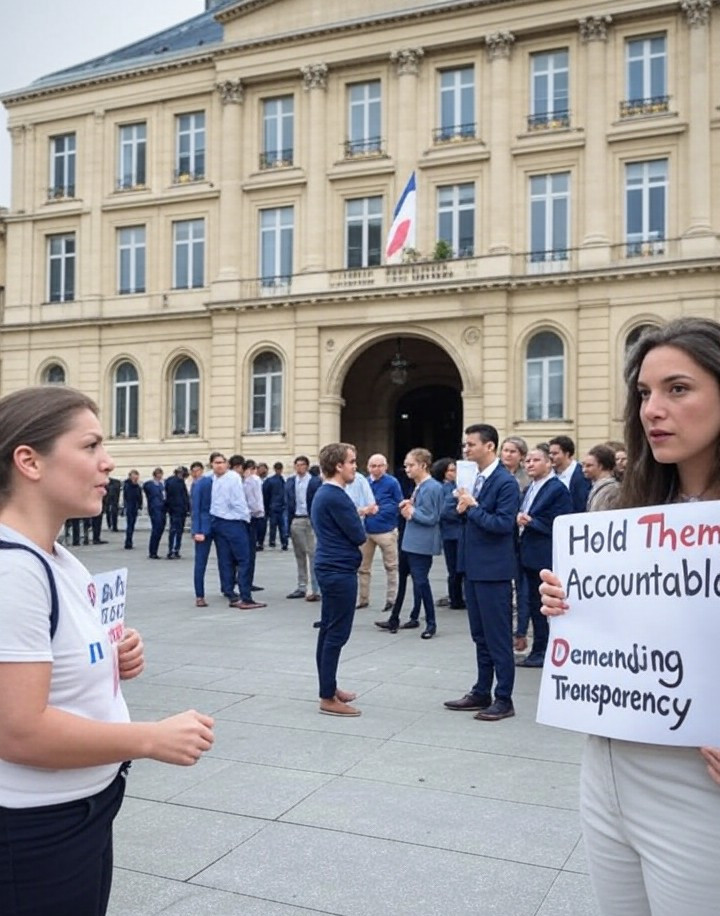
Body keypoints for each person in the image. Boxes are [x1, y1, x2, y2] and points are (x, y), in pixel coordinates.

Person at [0, 385, 214, 916]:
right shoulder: (13, 571)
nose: (108, 461)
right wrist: (150, 738)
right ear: (29, 461)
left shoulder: (54, 555)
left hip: (79, 813)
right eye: (91, 445)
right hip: (36, 833)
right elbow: (18, 732)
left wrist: (106, 654)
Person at [540, 317, 720, 916]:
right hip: (607, 765)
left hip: (700, 785)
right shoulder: (622, 509)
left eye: (678, 389)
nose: (653, 410)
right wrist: (570, 608)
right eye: (644, 393)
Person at [444, 424, 520, 720]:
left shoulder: (505, 482)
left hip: (494, 570)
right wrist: (462, 508)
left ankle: (504, 698)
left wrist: (473, 508)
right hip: (473, 566)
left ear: (489, 446)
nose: (466, 449)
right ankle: (481, 690)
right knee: (480, 635)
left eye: (471, 444)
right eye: (465, 445)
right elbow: (467, 517)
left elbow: (503, 524)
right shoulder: (474, 478)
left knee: (498, 636)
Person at [311, 442, 367, 717]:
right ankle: (327, 697)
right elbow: (358, 535)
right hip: (338, 570)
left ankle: (329, 687)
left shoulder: (325, 493)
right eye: (352, 462)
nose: (355, 466)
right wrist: (358, 516)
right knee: (336, 634)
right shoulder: (336, 496)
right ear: (338, 466)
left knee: (328, 630)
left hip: (331, 567)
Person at [514, 443, 572, 667]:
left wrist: (531, 522)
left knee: (542, 606)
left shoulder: (556, 488)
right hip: (528, 553)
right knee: (533, 604)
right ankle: (539, 648)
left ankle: (543, 650)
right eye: (527, 461)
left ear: (549, 463)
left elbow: (561, 521)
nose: (530, 464)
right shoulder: (531, 487)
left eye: (536, 460)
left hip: (544, 556)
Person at [393, 448, 443, 639]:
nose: (407, 469)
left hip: (421, 543)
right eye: (406, 465)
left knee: (421, 581)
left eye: (411, 465)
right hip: (412, 541)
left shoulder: (431, 487)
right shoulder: (420, 486)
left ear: (423, 465)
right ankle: (411, 616)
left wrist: (411, 512)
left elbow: (432, 517)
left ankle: (431, 622)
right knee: (411, 580)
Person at [211, 455, 265, 611]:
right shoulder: (233, 478)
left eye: (221, 463)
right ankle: (245, 597)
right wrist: (246, 517)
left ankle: (230, 592)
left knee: (226, 559)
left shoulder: (214, 478)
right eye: (216, 463)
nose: (219, 466)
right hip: (234, 522)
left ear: (227, 464)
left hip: (220, 522)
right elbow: (238, 501)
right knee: (244, 559)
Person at [357, 453, 402, 613]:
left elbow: (398, 503)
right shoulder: (364, 482)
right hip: (366, 530)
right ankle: (363, 599)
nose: (376, 469)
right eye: (373, 466)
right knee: (363, 567)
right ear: (368, 467)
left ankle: (392, 599)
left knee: (391, 566)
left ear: (386, 467)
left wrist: (378, 511)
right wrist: (365, 511)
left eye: (380, 466)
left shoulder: (392, 482)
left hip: (386, 530)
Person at [285, 455, 322, 601]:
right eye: (297, 465)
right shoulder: (290, 481)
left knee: (313, 554)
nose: (299, 467)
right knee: (299, 554)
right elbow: (287, 502)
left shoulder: (315, 481)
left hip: (310, 519)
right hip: (296, 518)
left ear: (307, 466)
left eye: (302, 465)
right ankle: (301, 586)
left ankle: (316, 588)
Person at [432, 457, 465, 610]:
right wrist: (460, 513)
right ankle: (456, 599)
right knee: (455, 569)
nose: (455, 473)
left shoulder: (455, 486)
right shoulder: (446, 488)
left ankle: (457, 597)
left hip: (453, 532)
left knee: (457, 568)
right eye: (451, 470)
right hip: (452, 533)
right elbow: (444, 511)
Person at [189, 457, 216, 608]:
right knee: (201, 562)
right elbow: (196, 509)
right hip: (206, 526)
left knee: (225, 561)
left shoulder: (223, 480)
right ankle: (200, 595)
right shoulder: (203, 483)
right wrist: (196, 530)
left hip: (217, 525)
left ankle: (228, 589)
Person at [548, 435, 591, 512]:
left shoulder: (582, 474)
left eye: (555, 453)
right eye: (550, 453)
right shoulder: (550, 474)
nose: (550, 456)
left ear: (567, 454)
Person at [582, 444, 621, 512]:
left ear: (601, 466)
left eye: (589, 466)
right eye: (583, 465)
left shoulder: (612, 489)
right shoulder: (596, 486)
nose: (584, 470)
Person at [164, 466, 189, 559]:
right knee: (177, 530)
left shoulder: (170, 481)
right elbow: (183, 496)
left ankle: (173, 549)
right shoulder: (177, 482)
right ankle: (174, 550)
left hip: (174, 509)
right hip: (178, 509)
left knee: (175, 530)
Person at [263, 461, 288, 549]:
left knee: (273, 525)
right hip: (281, 505)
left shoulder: (269, 480)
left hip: (273, 505)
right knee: (282, 525)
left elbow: (265, 494)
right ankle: (284, 542)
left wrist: (266, 506)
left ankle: (272, 541)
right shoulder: (283, 480)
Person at [143, 467, 166, 559]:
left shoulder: (161, 485)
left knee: (160, 529)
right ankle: (153, 551)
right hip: (155, 509)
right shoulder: (150, 484)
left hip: (162, 508)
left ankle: (154, 550)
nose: (160, 476)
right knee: (156, 529)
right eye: (158, 474)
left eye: (161, 474)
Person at [122, 469, 142, 550]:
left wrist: (139, 506)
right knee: (130, 525)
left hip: (135, 507)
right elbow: (127, 497)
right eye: (134, 477)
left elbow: (139, 497)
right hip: (130, 507)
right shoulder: (128, 485)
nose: (135, 478)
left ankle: (129, 541)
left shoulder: (137, 486)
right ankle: (128, 542)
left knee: (132, 525)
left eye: (136, 477)